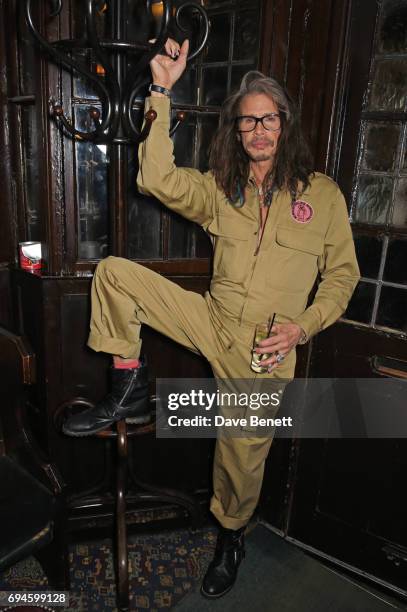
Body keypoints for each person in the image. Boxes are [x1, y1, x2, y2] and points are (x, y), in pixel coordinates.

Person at [63, 38, 360, 598]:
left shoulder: (322, 197)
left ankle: (231, 534)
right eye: (248, 123)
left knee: (239, 460)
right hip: (212, 320)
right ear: (238, 132)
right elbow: (156, 179)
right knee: (115, 272)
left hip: (266, 349)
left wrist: (304, 326)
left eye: (268, 119)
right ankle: (129, 385)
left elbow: (343, 277)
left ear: (285, 123)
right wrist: (160, 90)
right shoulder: (222, 190)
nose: (259, 132)